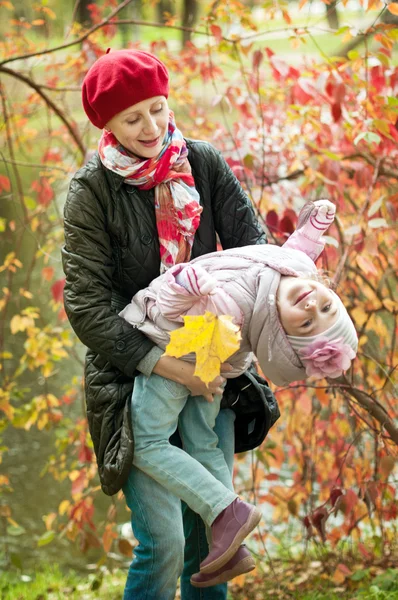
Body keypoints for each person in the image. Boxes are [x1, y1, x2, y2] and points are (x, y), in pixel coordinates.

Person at [61, 47, 276, 600]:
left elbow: (259, 257)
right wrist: (172, 368)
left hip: (213, 365)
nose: (151, 127)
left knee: (212, 547)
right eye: (132, 118)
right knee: (163, 547)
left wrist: (219, 351)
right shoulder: (91, 192)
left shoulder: (202, 163)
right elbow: (86, 307)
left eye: (158, 108)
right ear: (105, 123)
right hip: (133, 378)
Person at [119, 199, 358, 587]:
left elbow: (181, 315)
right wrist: (314, 230)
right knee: (203, 442)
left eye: (307, 323)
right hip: (215, 361)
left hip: (175, 353)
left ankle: (225, 511)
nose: (312, 303)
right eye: (326, 305)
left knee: (146, 442)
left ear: (281, 333)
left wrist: (182, 287)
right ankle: (229, 541)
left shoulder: (235, 308)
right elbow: (296, 254)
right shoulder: (289, 276)